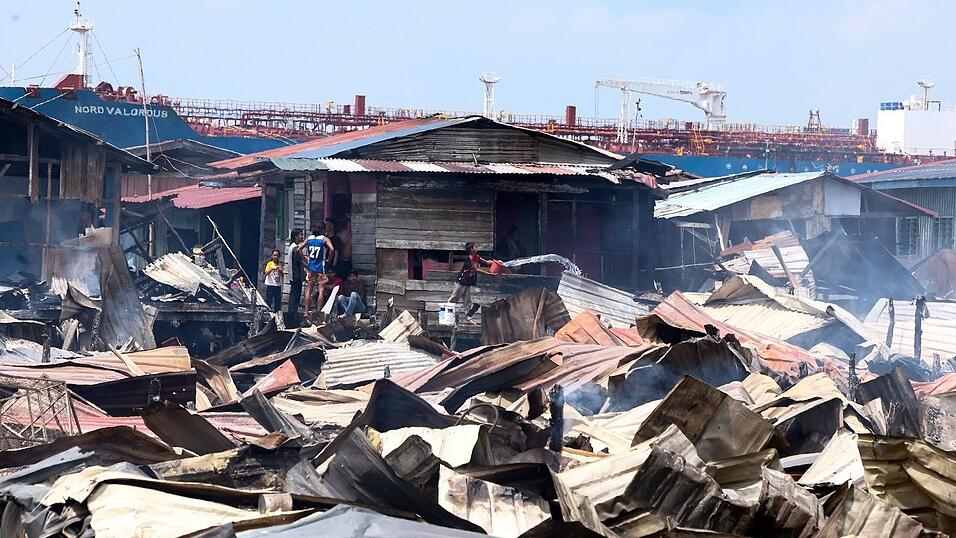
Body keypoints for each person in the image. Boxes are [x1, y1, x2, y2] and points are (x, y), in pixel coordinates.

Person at [448, 242, 500, 323]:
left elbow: (486, 262)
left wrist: (496, 262)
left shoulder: (477, 257)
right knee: (454, 298)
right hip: (461, 281)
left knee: (467, 301)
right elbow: (477, 269)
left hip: (468, 282)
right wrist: (489, 274)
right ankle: (446, 315)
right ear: (471, 249)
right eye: (475, 247)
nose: (477, 248)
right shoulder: (470, 259)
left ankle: (468, 319)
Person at [303, 225, 335, 321]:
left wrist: (304, 261)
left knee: (309, 289)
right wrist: (329, 260)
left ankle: (306, 311)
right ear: (322, 230)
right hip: (321, 266)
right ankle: (318, 311)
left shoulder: (309, 239)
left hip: (311, 266)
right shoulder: (324, 239)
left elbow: (299, 249)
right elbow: (332, 249)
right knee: (320, 289)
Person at [285, 229, 306, 320]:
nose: (302, 237)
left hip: (293, 274)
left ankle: (293, 312)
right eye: (301, 235)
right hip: (296, 274)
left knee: (294, 293)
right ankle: (292, 313)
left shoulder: (293, 247)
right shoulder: (295, 249)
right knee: (295, 294)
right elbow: (303, 262)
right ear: (296, 237)